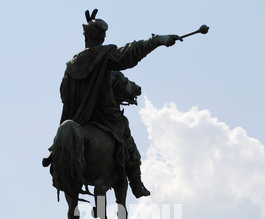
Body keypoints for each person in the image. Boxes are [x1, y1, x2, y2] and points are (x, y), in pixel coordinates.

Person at [43, 9, 182, 198]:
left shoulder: (71, 65)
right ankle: (136, 183)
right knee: (128, 139)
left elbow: (64, 95)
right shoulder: (104, 56)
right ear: (101, 37)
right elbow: (130, 53)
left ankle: (55, 155)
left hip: (78, 119)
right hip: (106, 117)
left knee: (63, 137)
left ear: (86, 37)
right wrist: (157, 40)